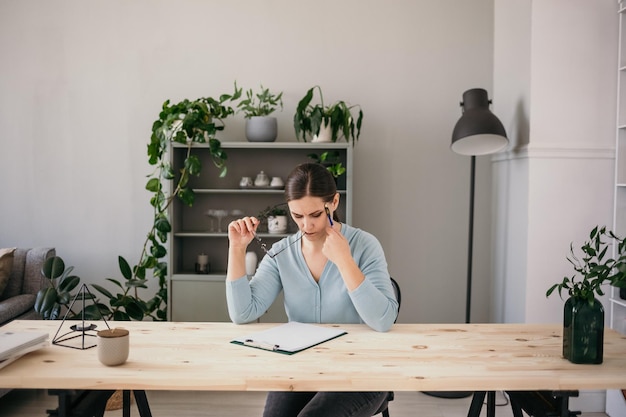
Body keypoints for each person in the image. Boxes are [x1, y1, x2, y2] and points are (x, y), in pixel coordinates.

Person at [226, 162, 399, 417]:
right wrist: (237, 250)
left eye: (315, 214)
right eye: (297, 216)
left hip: (362, 369)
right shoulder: (281, 254)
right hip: (301, 367)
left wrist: (344, 261)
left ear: (334, 202)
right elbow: (243, 313)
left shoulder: (365, 245)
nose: (306, 225)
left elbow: (383, 320)